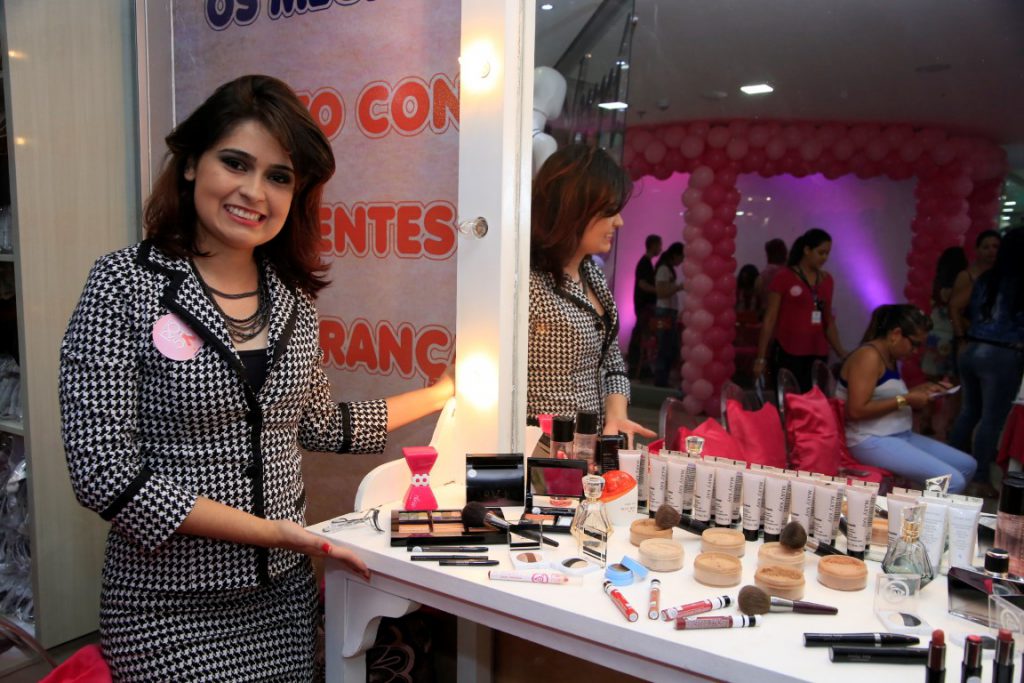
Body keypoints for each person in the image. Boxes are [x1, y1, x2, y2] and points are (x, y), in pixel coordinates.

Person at [58, 75, 455, 681]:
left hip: (280, 602)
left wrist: (441, 393)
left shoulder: (292, 297)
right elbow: (104, 473)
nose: (254, 192)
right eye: (235, 163)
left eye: (279, 177)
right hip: (166, 605)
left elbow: (319, 424)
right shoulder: (123, 284)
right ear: (191, 163)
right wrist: (270, 532)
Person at [528, 144, 656, 443]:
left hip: (589, 445)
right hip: (545, 449)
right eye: (609, 211)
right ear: (574, 209)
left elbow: (611, 357)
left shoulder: (591, 273)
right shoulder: (529, 284)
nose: (619, 222)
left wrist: (616, 415)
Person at [837, 305, 976, 493]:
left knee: (968, 465)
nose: (916, 351)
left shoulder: (890, 356)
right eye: (914, 344)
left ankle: (927, 504)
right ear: (896, 334)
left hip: (897, 434)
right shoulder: (868, 356)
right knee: (952, 481)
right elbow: (855, 411)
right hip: (868, 439)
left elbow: (882, 395)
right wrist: (906, 399)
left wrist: (922, 391)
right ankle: (921, 511)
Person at [950, 228, 1024, 497]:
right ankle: (980, 478)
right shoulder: (1019, 282)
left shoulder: (987, 278)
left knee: (969, 412)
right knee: (992, 419)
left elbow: (954, 304)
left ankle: (951, 468)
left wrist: (962, 337)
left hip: (973, 349)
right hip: (1002, 355)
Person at [754, 228, 848, 392]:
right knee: (789, 398)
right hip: (788, 350)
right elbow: (770, 318)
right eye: (821, 253)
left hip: (817, 351)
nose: (824, 258)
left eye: (827, 253)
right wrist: (761, 358)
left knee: (815, 398)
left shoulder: (827, 280)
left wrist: (841, 352)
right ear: (807, 250)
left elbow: (828, 321)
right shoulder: (784, 277)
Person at [919, 246, 968, 437]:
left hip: (934, 337)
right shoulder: (963, 283)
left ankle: (925, 421)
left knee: (931, 383)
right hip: (953, 336)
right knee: (955, 386)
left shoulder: (938, 284)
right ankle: (950, 425)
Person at [950, 229, 1001, 342]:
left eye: (995, 246)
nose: (991, 250)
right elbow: (954, 310)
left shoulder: (1005, 276)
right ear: (977, 250)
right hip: (970, 337)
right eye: (986, 247)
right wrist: (963, 335)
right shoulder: (966, 276)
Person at [626, 234, 662, 378]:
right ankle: (636, 366)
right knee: (641, 335)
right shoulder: (644, 264)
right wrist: (659, 291)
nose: (660, 248)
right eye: (659, 245)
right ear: (653, 245)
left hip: (645, 306)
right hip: (644, 306)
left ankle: (639, 367)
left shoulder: (647, 263)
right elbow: (642, 284)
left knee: (642, 335)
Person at [652, 241, 685, 387]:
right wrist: (678, 287)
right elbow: (661, 292)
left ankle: (663, 378)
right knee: (664, 346)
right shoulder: (663, 269)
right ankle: (661, 379)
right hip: (664, 312)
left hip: (668, 312)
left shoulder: (667, 269)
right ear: (675, 255)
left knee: (669, 346)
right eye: (681, 257)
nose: (682, 261)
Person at [755, 237, 787, 314]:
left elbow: (758, 297)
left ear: (768, 254)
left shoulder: (762, 276)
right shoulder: (790, 274)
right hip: (786, 315)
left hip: (766, 314)